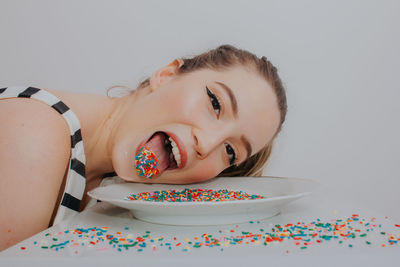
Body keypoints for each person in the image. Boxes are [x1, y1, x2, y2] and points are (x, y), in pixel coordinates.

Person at [0, 44, 287, 251]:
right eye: (215, 103)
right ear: (166, 76)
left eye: (231, 152)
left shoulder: (112, 193)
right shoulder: (34, 128)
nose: (208, 144)